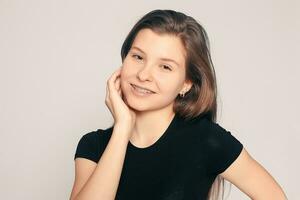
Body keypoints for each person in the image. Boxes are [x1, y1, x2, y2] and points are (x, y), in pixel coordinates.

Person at [69, 9, 287, 200]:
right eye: (137, 57)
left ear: (186, 83)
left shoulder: (206, 140)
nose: (144, 74)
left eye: (165, 67)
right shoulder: (93, 146)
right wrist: (122, 127)